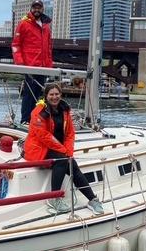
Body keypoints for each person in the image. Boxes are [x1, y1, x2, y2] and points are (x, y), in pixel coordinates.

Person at [23, 83, 104, 215]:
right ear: (46, 96)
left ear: (61, 95)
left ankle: (92, 199)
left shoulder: (64, 110)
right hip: (39, 149)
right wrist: (64, 151)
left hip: (58, 149)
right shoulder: (39, 112)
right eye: (51, 94)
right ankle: (54, 198)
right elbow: (44, 136)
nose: (54, 97)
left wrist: (68, 151)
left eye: (57, 94)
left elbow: (70, 133)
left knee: (72, 165)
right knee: (62, 160)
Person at [12, 0, 53, 124]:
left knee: (40, 95)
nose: (37, 10)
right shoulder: (24, 24)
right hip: (30, 65)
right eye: (34, 8)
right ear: (31, 9)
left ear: (42, 9)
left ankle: (35, 120)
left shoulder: (46, 26)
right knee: (29, 95)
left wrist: (49, 65)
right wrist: (20, 63)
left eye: (39, 8)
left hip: (43, 66)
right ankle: (25, 120)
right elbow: (16, 44)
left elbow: (48, 47)